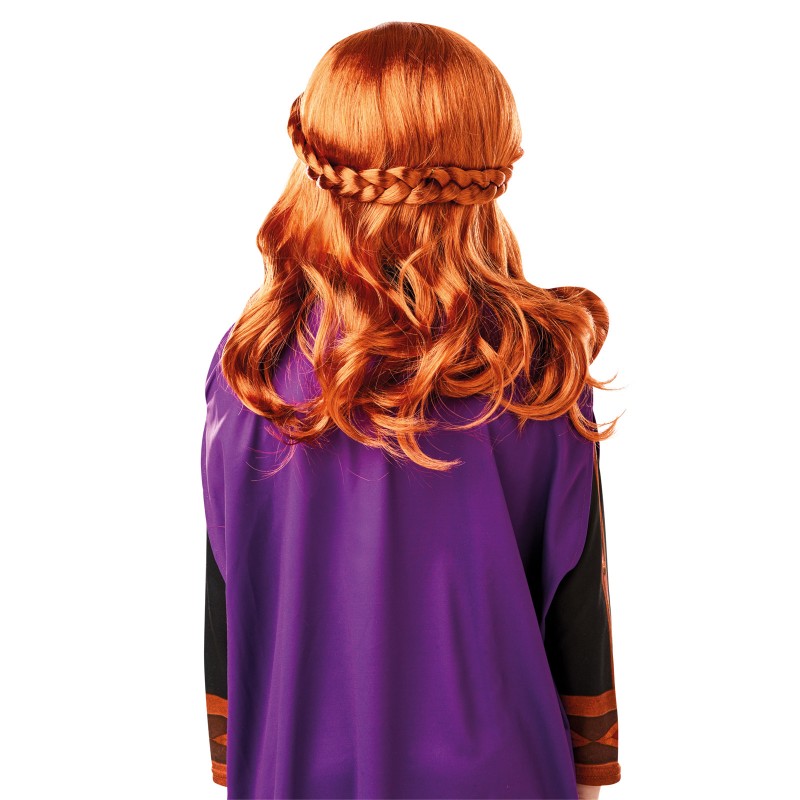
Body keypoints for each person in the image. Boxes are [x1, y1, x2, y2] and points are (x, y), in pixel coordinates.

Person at [201, 20, 622, 800]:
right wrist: (590, 771)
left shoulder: (252, 368)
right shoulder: (534, 365)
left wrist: (235, 758)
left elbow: (231, 585)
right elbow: (575, 604)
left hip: (294, 770)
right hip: (499, 777)